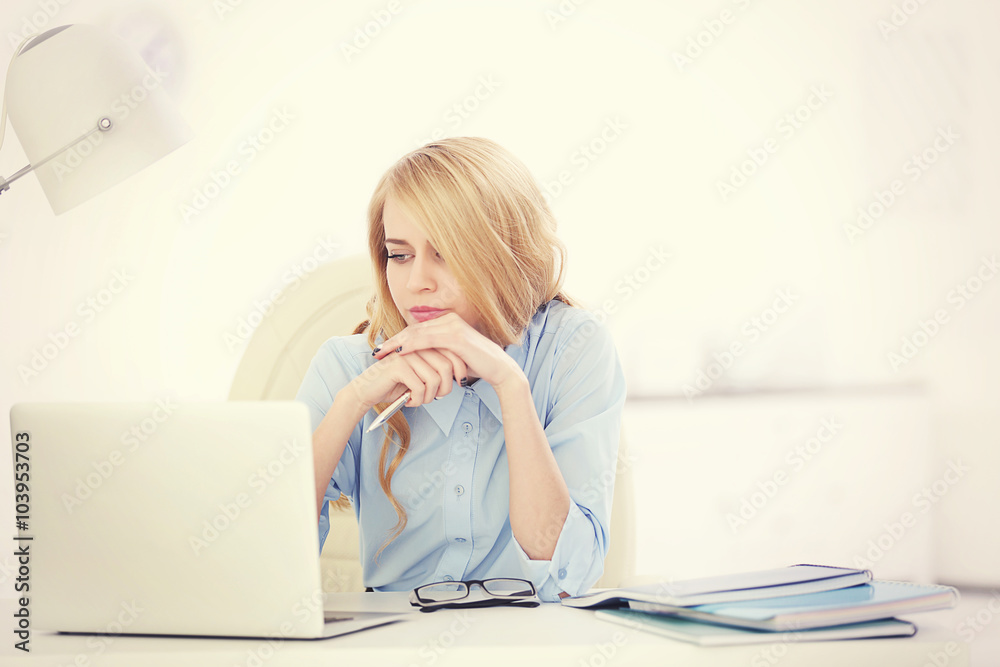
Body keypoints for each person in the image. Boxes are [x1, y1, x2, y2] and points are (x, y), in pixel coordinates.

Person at [295, 137, 626, 602]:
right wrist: (351, 402)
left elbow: (568, 569)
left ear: (502, 253)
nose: (417, 282)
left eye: (445, 253)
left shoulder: (572, 348)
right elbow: (268, 559)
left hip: (531, 639)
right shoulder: (348, 365)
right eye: (400, 255)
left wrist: (510, 385)